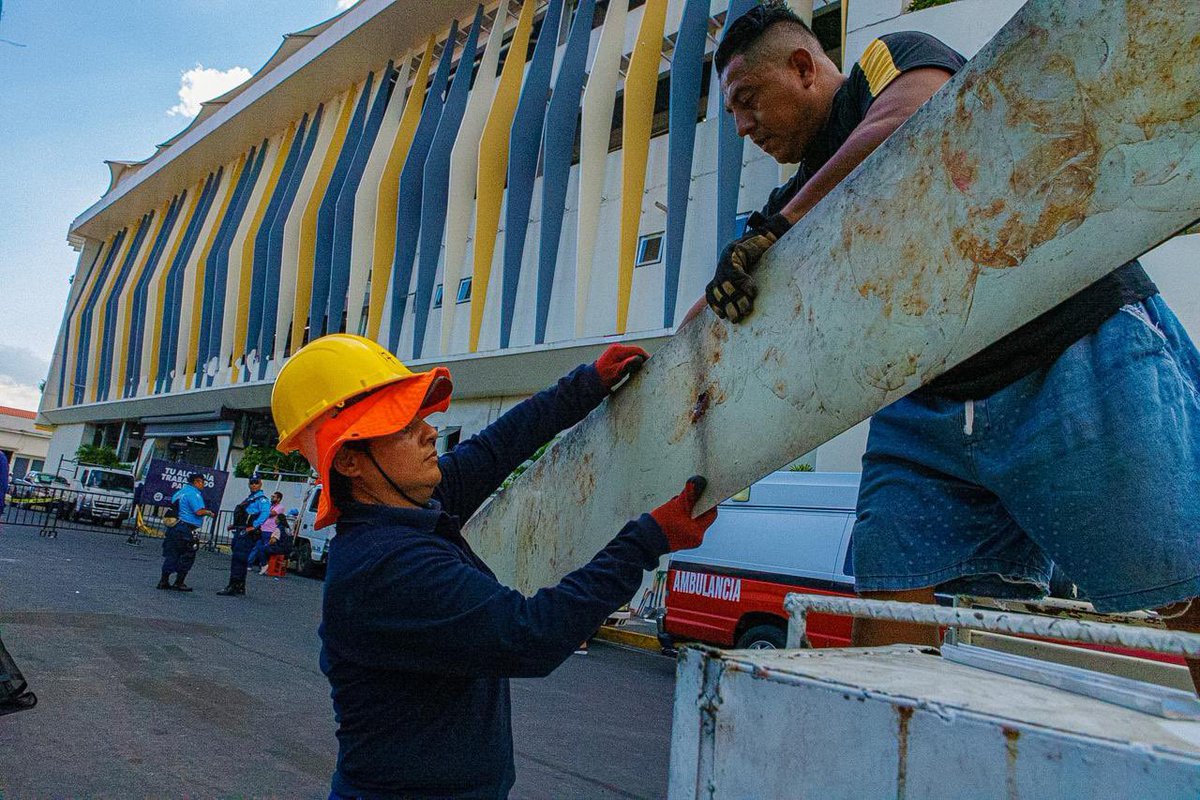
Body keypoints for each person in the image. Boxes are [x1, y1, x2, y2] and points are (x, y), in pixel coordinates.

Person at [703, 1, 1200, 684]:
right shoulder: (793, 206)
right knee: (888, 600)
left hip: (1067, 345)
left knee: (1180, 585)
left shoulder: (881, 67)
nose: (743, 125)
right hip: (930, 405)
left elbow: (914, 117)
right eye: (733, 114)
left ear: (802, 68)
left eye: (747, 100)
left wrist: (777, 229)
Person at [270, 334, 717, 799]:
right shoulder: (385, 567)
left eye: (420, 417)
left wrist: (584, 386)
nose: (428, 432)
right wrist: (649, 539)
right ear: (348, 461)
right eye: (403, 425)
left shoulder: (410, 509)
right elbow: (531, 635)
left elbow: (493, 451)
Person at [158, 473, 214, 591]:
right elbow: (198, 511)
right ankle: (179, 582)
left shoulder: (180, 492)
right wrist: (209, 512)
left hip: (175, 526)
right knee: (187, 554)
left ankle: (164, 580)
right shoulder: (194, 494)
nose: (203, 484)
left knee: (172, 554)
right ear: (197, 482)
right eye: (202, 482)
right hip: (186, 529)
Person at [217, 476, 271, 597]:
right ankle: (240, 586)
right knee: (240, 559)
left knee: (238, 558)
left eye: (256, 483)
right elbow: (243, 515)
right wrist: (235, 525)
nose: (253, 485)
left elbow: (265, 513)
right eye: (251, 483)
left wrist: (255, 526)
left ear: (260, 484)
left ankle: (233, 585)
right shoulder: (251, 498)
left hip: (247, 533)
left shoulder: (261, 499)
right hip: (241, 530)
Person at [248, 490, 285, 572]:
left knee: (264, 549)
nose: (272, 498)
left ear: (278, 499)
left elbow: (271, 513)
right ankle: (249, 564)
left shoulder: (280, 507)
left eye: (274, 497)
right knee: (256, 547)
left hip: (270, 531)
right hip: (262, 529)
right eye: (271, 496)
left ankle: (263, 565)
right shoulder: (270, 506)